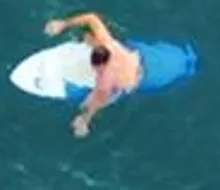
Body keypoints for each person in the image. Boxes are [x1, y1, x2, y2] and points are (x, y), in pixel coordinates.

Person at [45, 10, 145, 138]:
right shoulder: (107, 43)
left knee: (86, 103)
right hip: (135, 59)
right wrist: (63, 24)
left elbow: (98, 101)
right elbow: (91, 18)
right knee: (88, 36)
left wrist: (84, 120)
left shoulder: (105, 80)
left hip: (132, 82)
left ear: (101, 66)